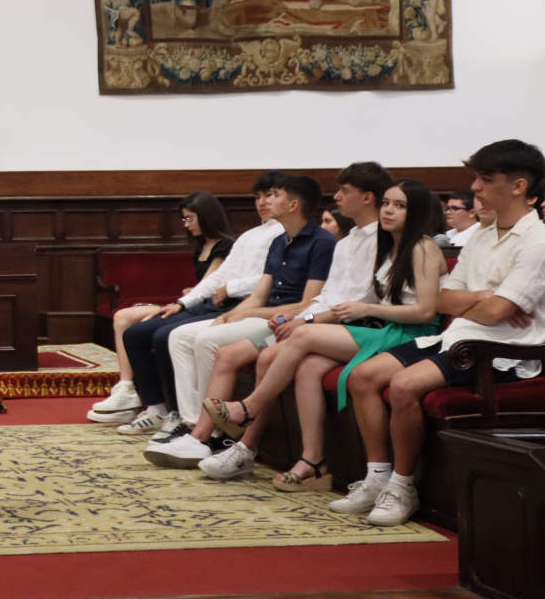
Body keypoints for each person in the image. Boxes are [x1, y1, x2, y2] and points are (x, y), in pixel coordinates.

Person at [338, 141, 545, 525]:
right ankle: (377, 476)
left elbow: (499, 313)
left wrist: (489, 303)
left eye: (485, 179)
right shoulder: (483, 234)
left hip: (502, 350)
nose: (475, 187)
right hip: (458, 338)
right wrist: (486, 296)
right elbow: (443, 300)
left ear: (518, 186)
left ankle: (403, 486)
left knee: (402, 385)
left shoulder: (538, 240)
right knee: (363, 377)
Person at [198, 178, 444, 489]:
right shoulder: (389, 245)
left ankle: (249, 408)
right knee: (308, 365)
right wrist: (305, 316)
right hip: (380, 325)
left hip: (406, 333)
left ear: (417, 211)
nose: (389, 210)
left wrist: (354, 313)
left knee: (300, 337)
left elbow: (423, 312)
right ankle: (313, 461)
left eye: (400, 205)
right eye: (387, 203)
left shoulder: (422, 246)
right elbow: (343, 297)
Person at [146, 174, 335, 467]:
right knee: (181, 336)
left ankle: (208, 434)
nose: (267, 201)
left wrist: (248, 313)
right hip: (266, 314)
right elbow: (260, 294)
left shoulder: (321, 242)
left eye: (276, 195)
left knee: (209, 341)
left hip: (286, 318)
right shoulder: (278, 241)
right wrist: (230, 314)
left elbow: (309, 303)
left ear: (293, 204)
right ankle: (193, 422)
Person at [116, 172, 285, 439]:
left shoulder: (283, 234)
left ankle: (184, 417)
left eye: (270, 195)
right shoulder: (250, 234)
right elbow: (220, 275)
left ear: (292, 200)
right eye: (258, 197)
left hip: (241, 304)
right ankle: (160, 408)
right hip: (217, 301)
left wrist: (229, 289)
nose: (262, 202)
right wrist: (181, 304)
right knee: (136, 333)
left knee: (165, 336)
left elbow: (270, 279)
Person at [89, 191, 232, 424]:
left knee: (148, 329)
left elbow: (209, 285)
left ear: (206, 216)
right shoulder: (202, 245)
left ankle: (164, 407)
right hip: (190, 301)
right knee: (123, 317)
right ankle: (126, 388)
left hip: (203, 306)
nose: (186, 225)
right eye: (184, 219)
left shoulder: (225, 245)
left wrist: (185, 297)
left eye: (190, 219)